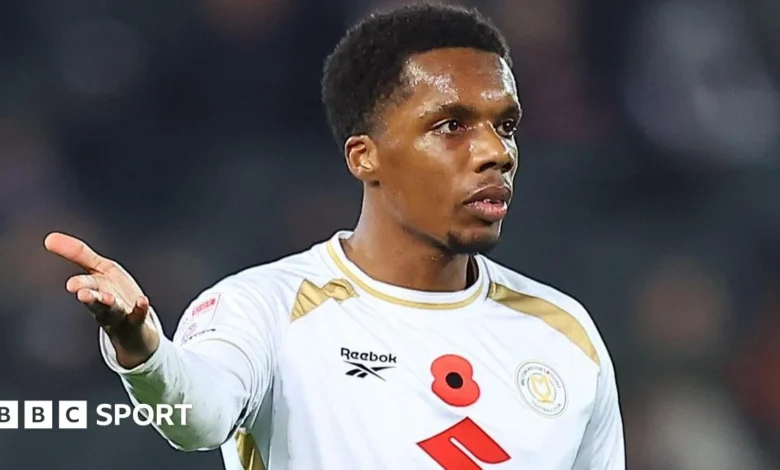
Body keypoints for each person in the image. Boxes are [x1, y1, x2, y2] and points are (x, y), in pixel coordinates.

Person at [45, 3, 625, 469]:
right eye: (452, 126)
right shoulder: (264, 308)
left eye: (505, 125)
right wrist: (145, 351)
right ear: (364, 156)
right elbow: (198, 417)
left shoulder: (566, 338)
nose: (496, 152)